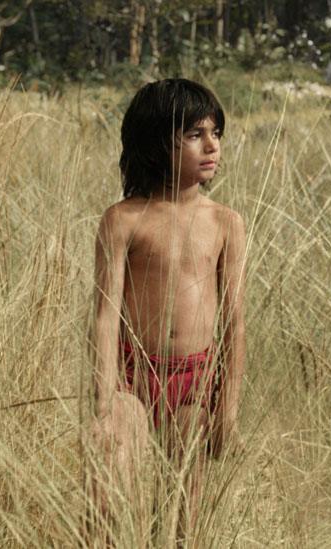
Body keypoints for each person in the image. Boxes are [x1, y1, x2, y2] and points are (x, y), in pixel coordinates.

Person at [88, 78, 246, 543]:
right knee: (106, 503)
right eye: (195, 134)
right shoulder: (124, 219)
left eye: (216, 132)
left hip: (195, 384)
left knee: (184, 513)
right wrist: (104, 398)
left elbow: (234, 323)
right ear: (158, 142)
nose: (212, 145)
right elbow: (103, 315)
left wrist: (228, 412)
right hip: (131, 380)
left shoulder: (225, 222)